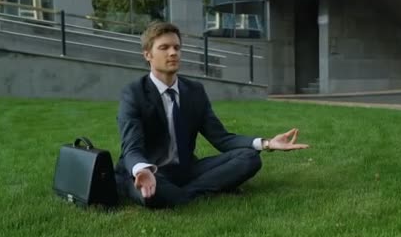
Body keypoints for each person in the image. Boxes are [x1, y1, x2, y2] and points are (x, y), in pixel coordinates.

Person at [114, 22, 309, 208]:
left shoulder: (194, 91)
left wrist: (267, 144)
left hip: (185, 169)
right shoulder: (133, 93)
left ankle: (184, 195)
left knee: (250, 158)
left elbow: (222, 139)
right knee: (152, 194)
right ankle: (202, 190)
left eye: (176, 47)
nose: (173, 52)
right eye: (164, 47)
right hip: (150, 171)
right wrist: (142, 170)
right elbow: (132, 149)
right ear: (147, 54)